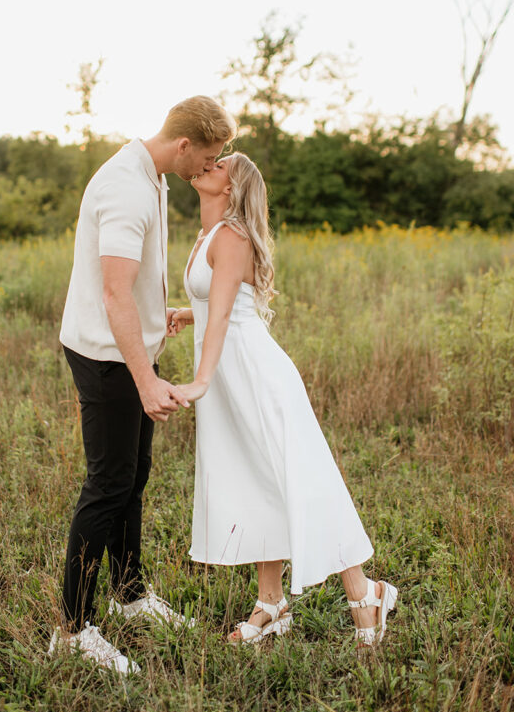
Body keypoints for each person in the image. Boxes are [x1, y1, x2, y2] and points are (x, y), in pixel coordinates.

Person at [170, 152, 398, 647]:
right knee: (254, 481)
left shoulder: (231, 236)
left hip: (255, 374)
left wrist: (200, 380)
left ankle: (366, 594)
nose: (207, 165)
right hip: (228, 375)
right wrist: (185, 315)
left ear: (231, 188)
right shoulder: (208, 236)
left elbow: (229, 318)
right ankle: (271, 603)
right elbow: (220, 303)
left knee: (303, 479)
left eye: (218, 165)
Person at [50, 96, 237, 673]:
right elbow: (114, 293)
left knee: (133, 479)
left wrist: (163, 325)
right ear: (184, 144)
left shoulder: (150, 174)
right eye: (207, 158)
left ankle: (128, 595)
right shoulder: (128, 187)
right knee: (107, 485)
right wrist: (145, 379)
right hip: (107, 357)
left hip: (130, 350)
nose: (208, 169)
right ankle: (74, 629)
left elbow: (136, 288)